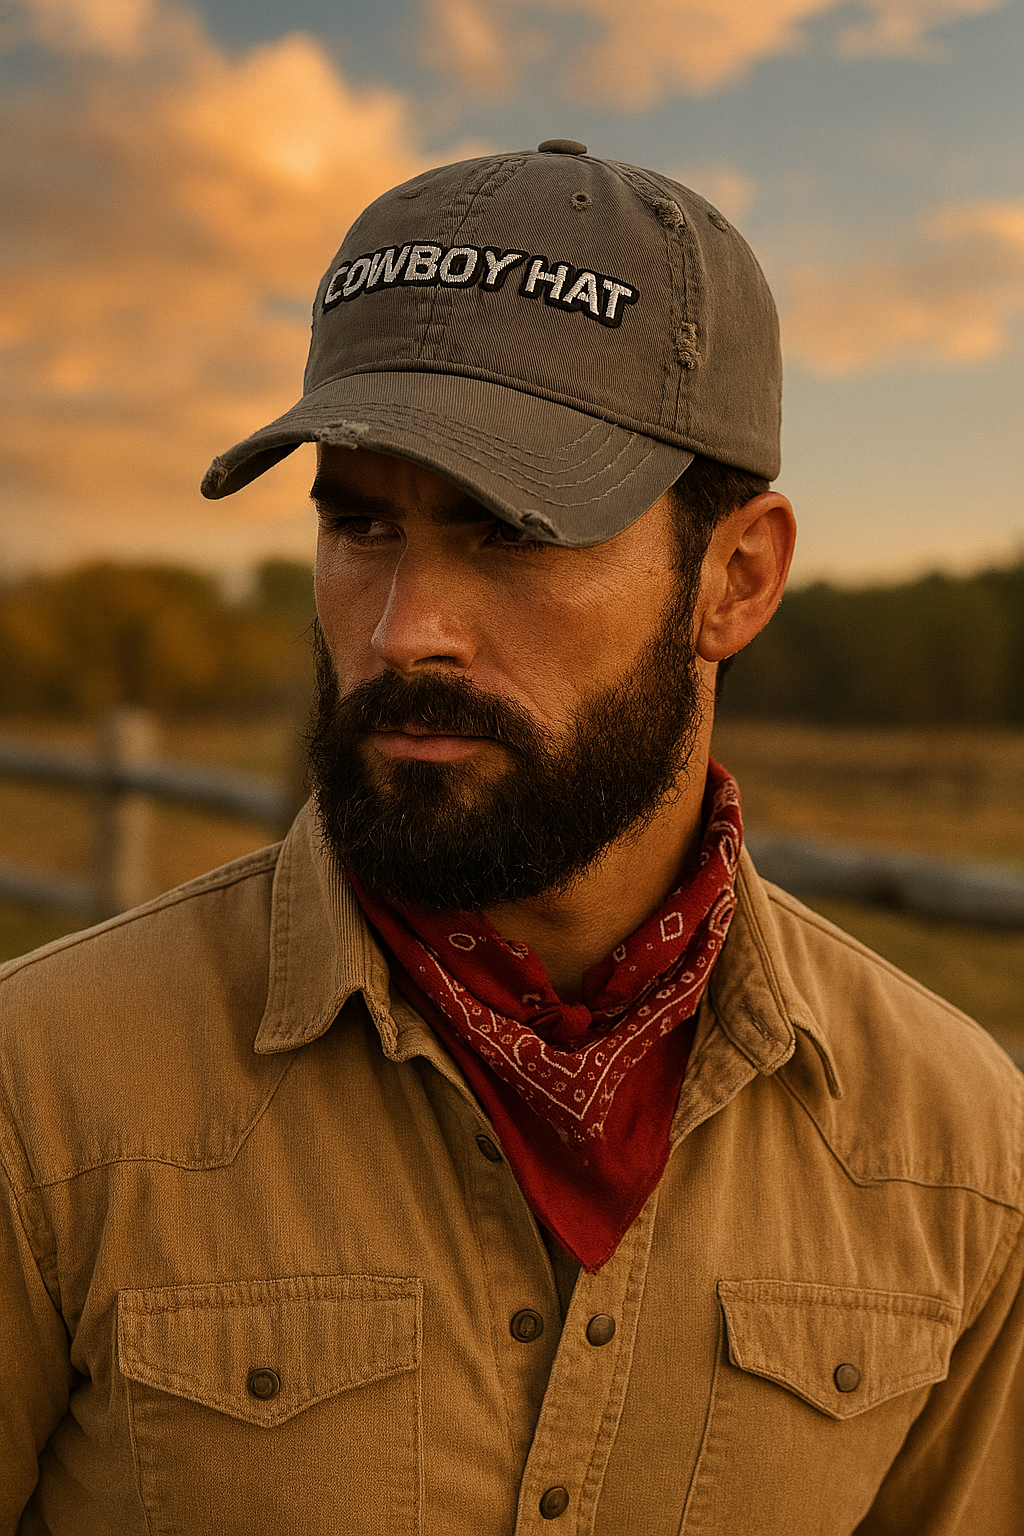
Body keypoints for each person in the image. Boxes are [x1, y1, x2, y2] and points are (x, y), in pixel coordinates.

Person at [1, 141, 1022, 1536]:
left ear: (738, 579)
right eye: (362, 524)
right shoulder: (43, 1100)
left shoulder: (960, 1158)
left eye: (511, 534)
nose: (403, 627)